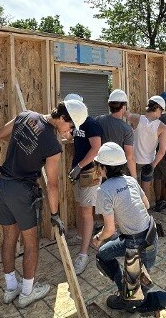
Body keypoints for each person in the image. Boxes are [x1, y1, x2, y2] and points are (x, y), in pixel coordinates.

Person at [91, 142, 166, 317]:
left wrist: (98, 238)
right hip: (148, 235)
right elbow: (145, 205)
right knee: (103, 255)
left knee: (137, 304)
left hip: (138, 243)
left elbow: (108, 230)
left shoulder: (104, 190)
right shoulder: (130, 180)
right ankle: (126, 294)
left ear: (102, 167)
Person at [0, 99, 88, 308]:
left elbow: (0, 134)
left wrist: (23, 146)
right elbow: (52, 185)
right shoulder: (52, 146)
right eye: (71, 126)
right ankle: (27, 291)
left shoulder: (25, 115)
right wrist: (54, 214)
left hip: (3, 186)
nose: (71, 131)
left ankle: (10, 289)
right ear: (63, 118)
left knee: (9, 238)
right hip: (22, 191)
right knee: (31, 243)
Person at [63, 93, 103, 275]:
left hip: (89, 172)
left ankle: (84, 253)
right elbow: (75, 138)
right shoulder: (78, 124)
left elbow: (96, 148)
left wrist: (79, 166)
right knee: (80, 207)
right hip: (79, 172)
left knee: (87, 211)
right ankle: (82, 237)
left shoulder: (91, 123)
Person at [126, 95, 166, 201]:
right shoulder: (162, 127)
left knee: (132, 191)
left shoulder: (136, 118)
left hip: (133, 161)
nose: (161, 114)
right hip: (148, 162)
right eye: (161, 111)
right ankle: (146, 215)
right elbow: (162, 151)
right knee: (145, 191)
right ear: (158, 108)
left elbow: (124, 113)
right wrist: (152, 166)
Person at [96, 89, 137, 177]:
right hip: (118, 172)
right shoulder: (126, 129)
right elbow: (130, 157)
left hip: (101, 169)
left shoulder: (99, 120)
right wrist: (134, 179)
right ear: (123, 107)